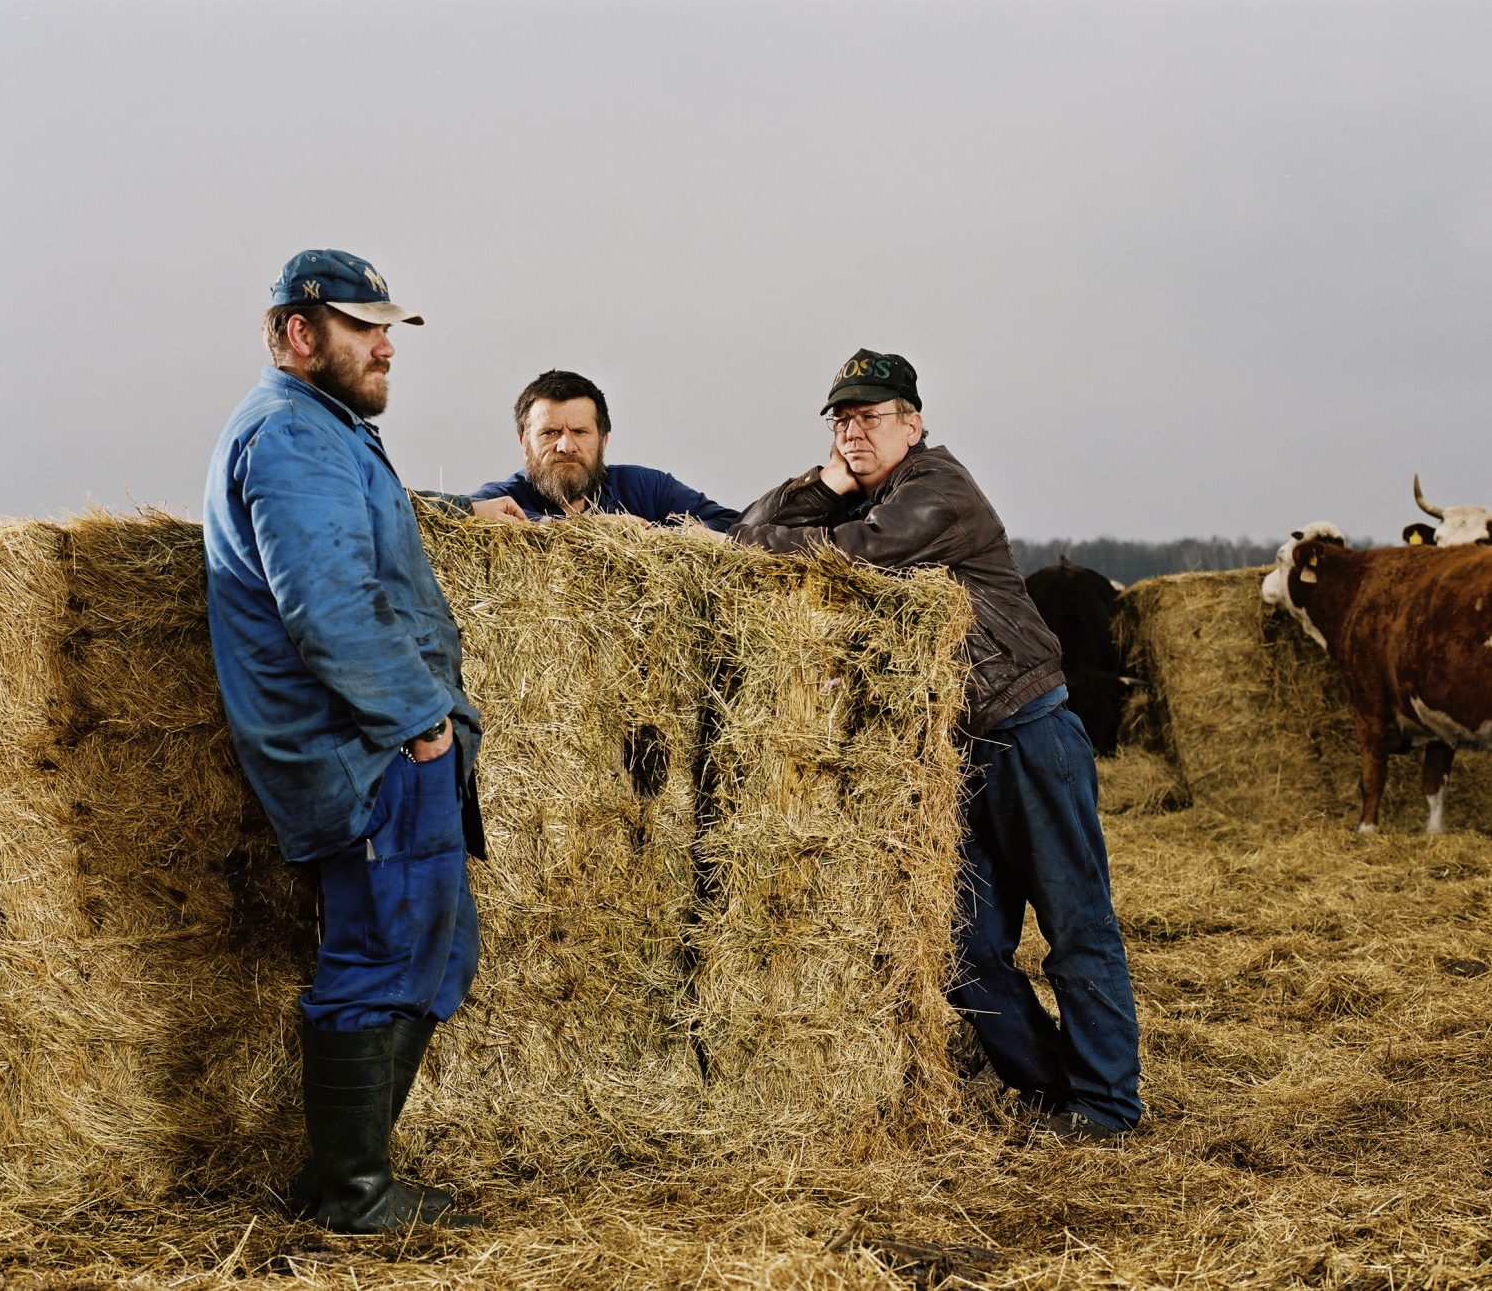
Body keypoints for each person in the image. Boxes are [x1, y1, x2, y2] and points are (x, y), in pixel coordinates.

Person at [729, 349, 1142, 1139]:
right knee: (961, 947)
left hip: (1028, 734)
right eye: (842, 420)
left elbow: (836, 560)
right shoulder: (866, 493)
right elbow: (745, 542)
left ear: (913, 424)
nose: (854, 431)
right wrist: (824, 486)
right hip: (953, 757)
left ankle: (1109, 1110)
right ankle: (1053, 1093)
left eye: (871, 417)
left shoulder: (938, 493)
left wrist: (823, 510)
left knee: (1076, 927)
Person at [203, 249, 486, 1230]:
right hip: (364, 750)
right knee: (381, 955)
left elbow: (355, 539)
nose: (384, 346)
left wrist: (455, 511)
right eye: (362, 326)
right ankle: (356, 1194)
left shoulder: (318, 433)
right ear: (297, 333)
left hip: (373, 744)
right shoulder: (292, 436)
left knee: (427, 950)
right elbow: (327, 606)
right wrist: (420, 728)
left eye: (388, 327)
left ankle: (345, 1177)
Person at [461, 369, 737, 529]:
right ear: (524, 443)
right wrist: (603, 531)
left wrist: (658, 537)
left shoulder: (649, 488)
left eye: (580, 432)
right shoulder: (502, 498)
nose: (566, 446)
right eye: (550, 432)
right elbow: (449, 515)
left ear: (603, 440)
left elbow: (732, 526)